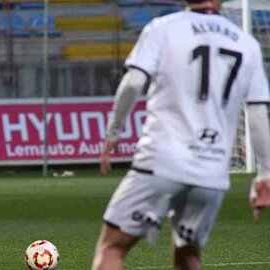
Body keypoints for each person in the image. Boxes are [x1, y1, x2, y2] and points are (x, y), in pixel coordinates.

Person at [93, 0, 270, 269]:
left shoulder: (163, 28)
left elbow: (133, 83)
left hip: (162, 163)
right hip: (211, 174)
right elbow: (257, 112)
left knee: (113, 247)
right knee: (188, 255)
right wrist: (266, 173)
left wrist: (112, 132)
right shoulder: (247, 44)